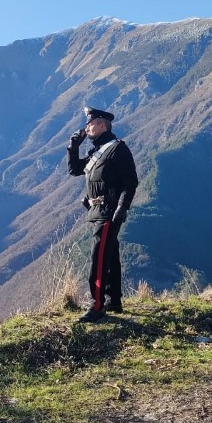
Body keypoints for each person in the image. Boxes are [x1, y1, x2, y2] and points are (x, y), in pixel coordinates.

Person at [67, 106, 139, 323]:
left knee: (98, 256)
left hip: (109, 211)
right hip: (96, 210)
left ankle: (97, 305)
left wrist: (122, 207)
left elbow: (130, 182)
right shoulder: (97, 151)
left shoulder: (117, 149)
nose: (86, 127)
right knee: (110, 254)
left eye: (90, 123)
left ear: (101, 124)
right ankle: (113, 300)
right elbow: (75, 170)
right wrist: (73, 148)